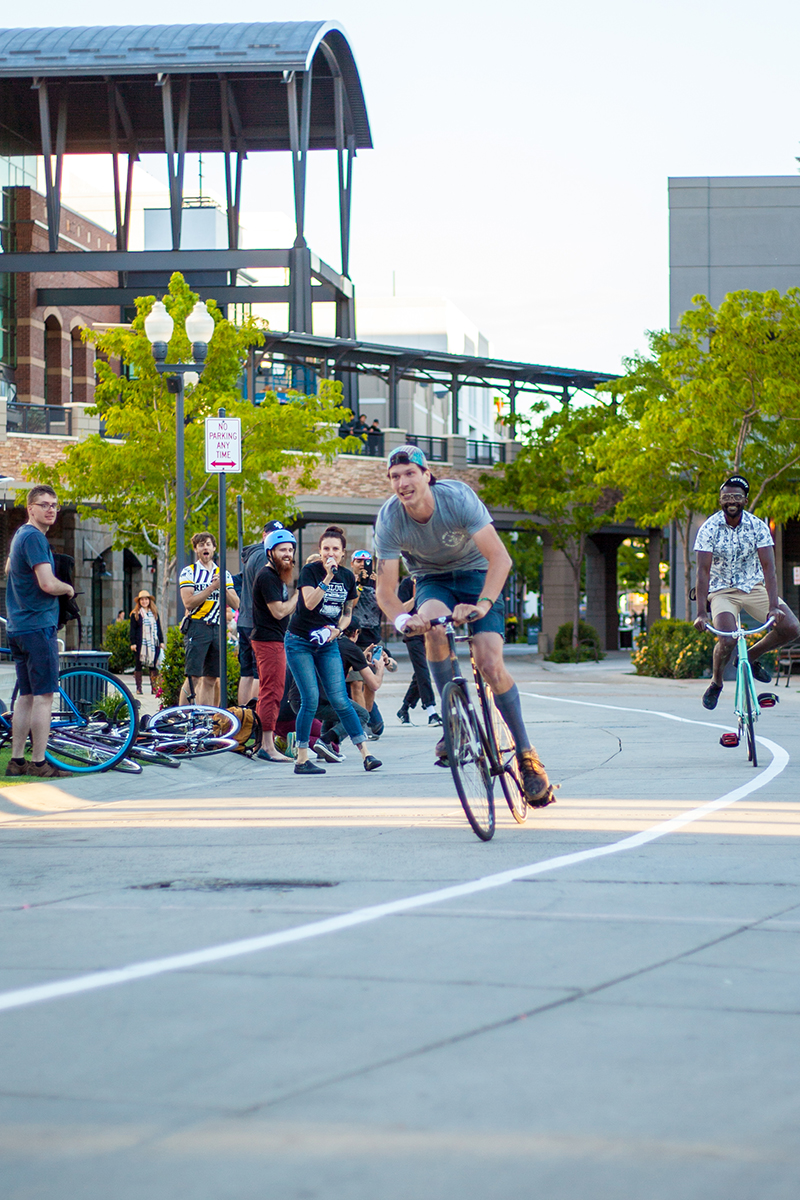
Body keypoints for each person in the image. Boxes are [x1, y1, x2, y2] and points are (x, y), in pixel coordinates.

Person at [374, 445, 554, 807]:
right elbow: (385, 590)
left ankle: (526, 754)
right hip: (432, 580)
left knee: (489, 664)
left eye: (410, 474)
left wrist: (483, 604)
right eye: (395, 477)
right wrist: (405, 619)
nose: (402, 483)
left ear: (427, 475)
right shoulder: (390, 519)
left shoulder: (456, 498)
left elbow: (500, 558)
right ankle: (453, 722)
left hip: (478, 576)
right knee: (434, 628)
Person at [693, 475, 800, 709]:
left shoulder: (758, 526)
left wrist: (773, 606)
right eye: (727, 497)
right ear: (720, 500)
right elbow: (702, 572)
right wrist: (701, 612)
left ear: (745, 500)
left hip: (754, 588)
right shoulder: (709, 528)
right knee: (727, 638)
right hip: (722, 591)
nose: (731, 501)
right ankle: (716, 683)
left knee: (792, 627)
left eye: (737, 497)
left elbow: (769, 568)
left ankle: (750, 657)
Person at [285, 524, 382, 776]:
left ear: (342, 553)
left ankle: (366, 754)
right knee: (310, 699)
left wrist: (337, 631)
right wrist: (327, 578)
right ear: (320, 551)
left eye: (335, 549)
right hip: (300, 641)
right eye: (326, 549)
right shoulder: (310, 571)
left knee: (340, 699)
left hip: (327, 642)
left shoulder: (348, 577)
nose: (330, 553)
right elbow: (309, 603)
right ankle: (302, 759)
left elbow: (347, 612)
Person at [4, 485, 74, 778]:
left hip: (18, 627)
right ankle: (39, 762)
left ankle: (17, 761)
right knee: (44, 697)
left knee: (27, 696)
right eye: (44, 504)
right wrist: (67, 588)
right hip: (37, 626)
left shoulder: (20, 535)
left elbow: (8, 569)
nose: (50, 510)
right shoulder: (33, 537)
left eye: (54, 505)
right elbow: (47, 583)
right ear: (30, 508)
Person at [250, 527, 299, 762]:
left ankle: (265, 743)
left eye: (290, 549)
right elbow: (279, 611)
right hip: (268, 641)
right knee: (272, 691)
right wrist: (300, 595)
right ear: (270, 552)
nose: (288, 554)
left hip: (273, 639)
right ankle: (267, 746)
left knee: (271, 690)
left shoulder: (276, 576)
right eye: (282, 550)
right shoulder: (268, 576)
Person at [179, 532, 239, 706]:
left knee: (211, 678)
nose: (205, 547)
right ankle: (182, 714)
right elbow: (189, 602)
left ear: (214, 548)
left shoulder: (223, 574)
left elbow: (236, 603)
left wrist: (222, 588)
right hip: (197, 626)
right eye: (201, 544)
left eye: (208, 544)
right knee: (193, 677)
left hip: (217, 627)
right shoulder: (189, 572)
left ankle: (206, 716)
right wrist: (212, 587)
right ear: (196, 549)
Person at [236, 519, 287, 704]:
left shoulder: (252, 555)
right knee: (260, 674)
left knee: (247, 673)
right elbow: (267, 590)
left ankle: (242, 716)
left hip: (245, 621)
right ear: (264, 536)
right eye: (273, 535)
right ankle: (254, 716)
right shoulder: (264, 557)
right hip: (258, 625)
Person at [395, 575, 441, 726]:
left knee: (421, 673)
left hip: (430, 632)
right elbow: (401, 610)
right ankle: (431, 712)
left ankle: (404, 709)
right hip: (413, 633)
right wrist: (416, 597)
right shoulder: (407, 583)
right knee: (422, 671)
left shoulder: (432, 581)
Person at [129, 590, 164, 695]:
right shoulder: (135, 614)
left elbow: (158, 628)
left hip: (153, 643)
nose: (144, 601)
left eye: (146, 599)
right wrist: (133, 643)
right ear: (139, 601)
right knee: (138, 665)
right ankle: (139, 688)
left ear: (149, 600)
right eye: (142, 600)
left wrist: (161, 641)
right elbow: (132, 630)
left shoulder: (154, 613)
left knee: (153, 666)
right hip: (140, 644)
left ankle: (154, 688)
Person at [350, 550, 382, 647]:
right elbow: (350, 604)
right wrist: (360, 585)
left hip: (374, 635)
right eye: (358, 561)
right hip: (353, 636)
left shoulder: (376, 582)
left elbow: (386, 606)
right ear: (352, 564)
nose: (362, 564)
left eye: (366, 562)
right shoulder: (349, 581)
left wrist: (379, 585)